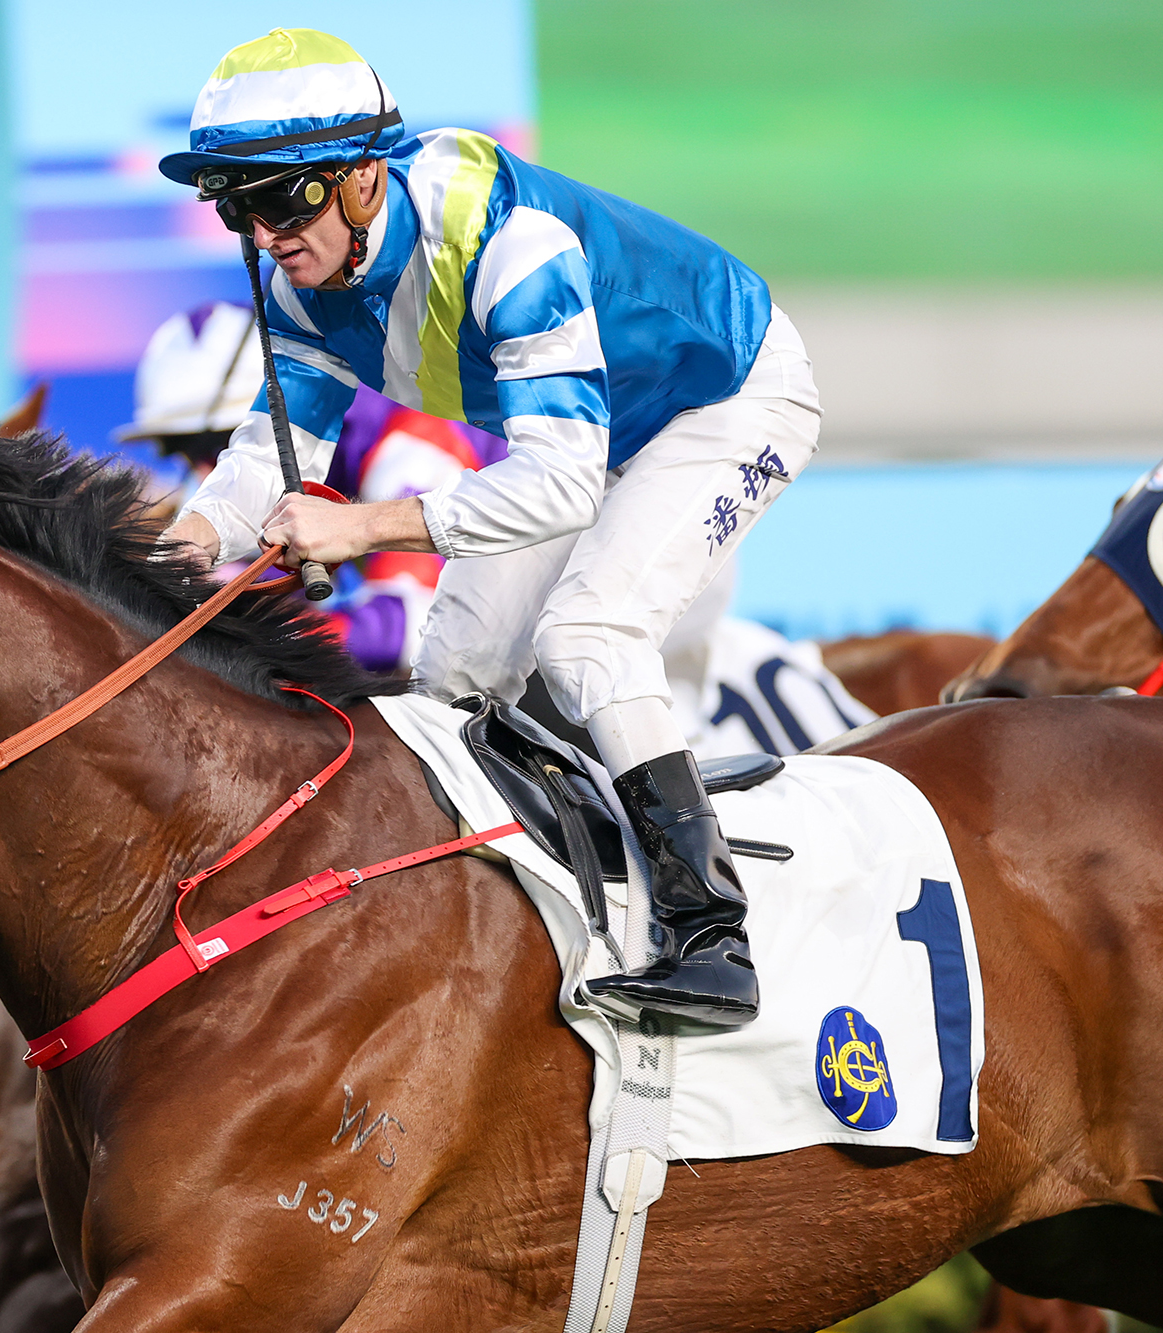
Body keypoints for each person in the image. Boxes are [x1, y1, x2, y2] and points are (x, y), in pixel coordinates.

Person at [159, 29, 823, 1024]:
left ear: (361, 178)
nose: (263, 233)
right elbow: (266, 458)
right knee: (452, 675)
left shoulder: (510, 247)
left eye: (282, 199)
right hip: (585, 433)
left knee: (585, 634)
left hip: (725, 398)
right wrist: (180, 546)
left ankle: (711, 938)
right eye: (234, 206)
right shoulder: (302, 285)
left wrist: (362, 529)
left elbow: (558, 488)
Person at [119, 299, 502, 673]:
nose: (207, 472)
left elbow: (410, 632)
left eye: (222, 443)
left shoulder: (412, 441)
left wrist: (243, 637)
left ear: (282, 416)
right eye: (181, 449)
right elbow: (249, 585)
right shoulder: (250, 471)